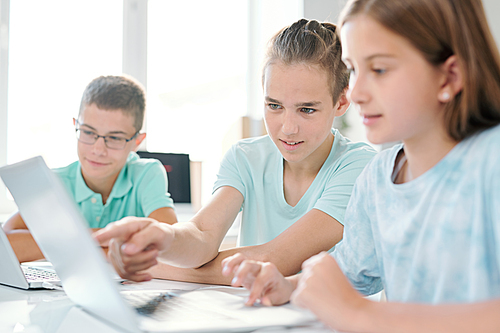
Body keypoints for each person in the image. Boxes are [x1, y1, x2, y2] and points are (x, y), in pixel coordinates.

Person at [222, 0, 500, 331]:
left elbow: (354, 308)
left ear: (448, 76)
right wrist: (290, 286)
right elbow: (349, 276)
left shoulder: (490, 161)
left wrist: (361, 314)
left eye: (379, 70)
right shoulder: (378, 178)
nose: (355, 93)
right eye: (354, 70)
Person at [94, 19, 376, 284]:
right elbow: (202, 234)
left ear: (341, 102)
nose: (287, 128)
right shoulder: (246, 157)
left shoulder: (360, 166)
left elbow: (275, 259)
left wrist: (152, 265)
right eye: (274, 105)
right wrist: (164, 238)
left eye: (307, 109)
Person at [3, 75, 177, 262]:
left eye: (115, 138)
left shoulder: (147, 174)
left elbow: (170, 244)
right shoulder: (56, 181)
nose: (98, 150)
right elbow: (6, 243)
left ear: (136, 141)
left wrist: (58, 243)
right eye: (88, 132)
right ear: (76, 126)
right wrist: (114, 243)